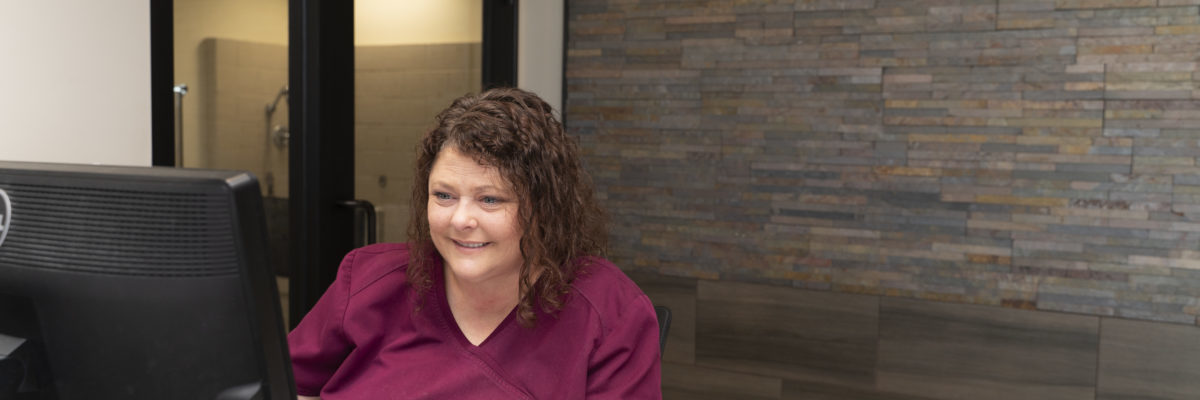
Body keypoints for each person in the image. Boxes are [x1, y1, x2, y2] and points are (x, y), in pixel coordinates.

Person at [287, 87, 662, 399]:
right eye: (444, 196)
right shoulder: (371, 279)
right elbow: (279, 385)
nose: (460, 220)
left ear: (544, 209)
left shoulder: (609, 312)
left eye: (490, 199)